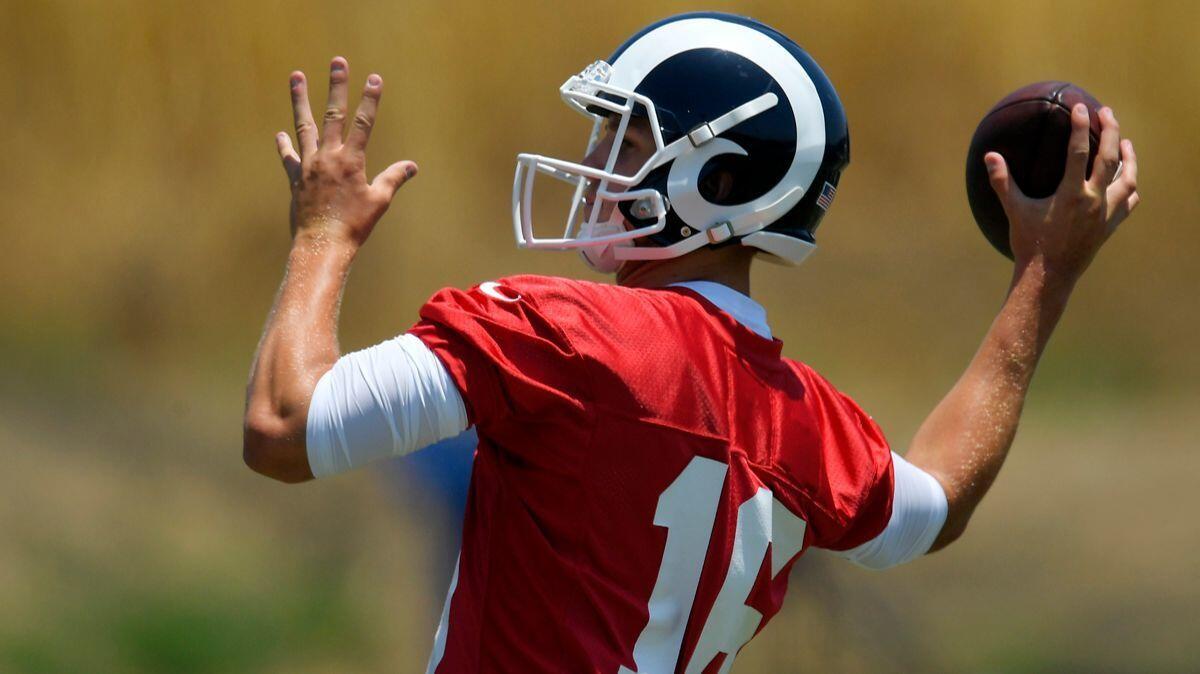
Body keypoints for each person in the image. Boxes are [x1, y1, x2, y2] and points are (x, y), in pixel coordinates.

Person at [242, 12, 1139, 673]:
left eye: (625, 138)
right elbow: (938, 500)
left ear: (717, 179)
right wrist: (1044, 278)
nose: (598, 160)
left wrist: (324, 236)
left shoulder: (560, 336)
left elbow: (284, 427)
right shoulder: (809, 423)